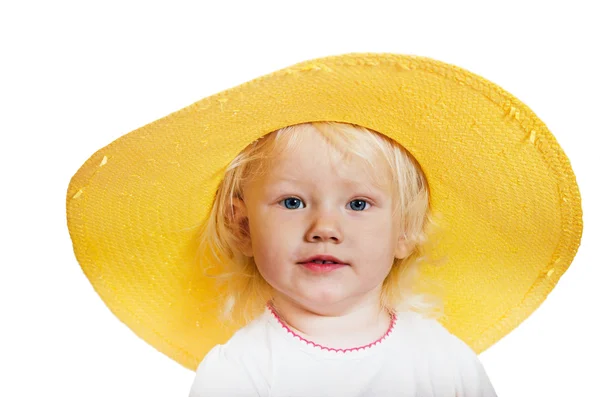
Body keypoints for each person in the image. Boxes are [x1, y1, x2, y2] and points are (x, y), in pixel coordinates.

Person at [66, 53, 583, 397]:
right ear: (242, 225)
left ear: (406, 230)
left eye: (358, 204)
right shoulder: (238, 372)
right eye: (292, 202)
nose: (323, 227)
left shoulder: (445, 365)